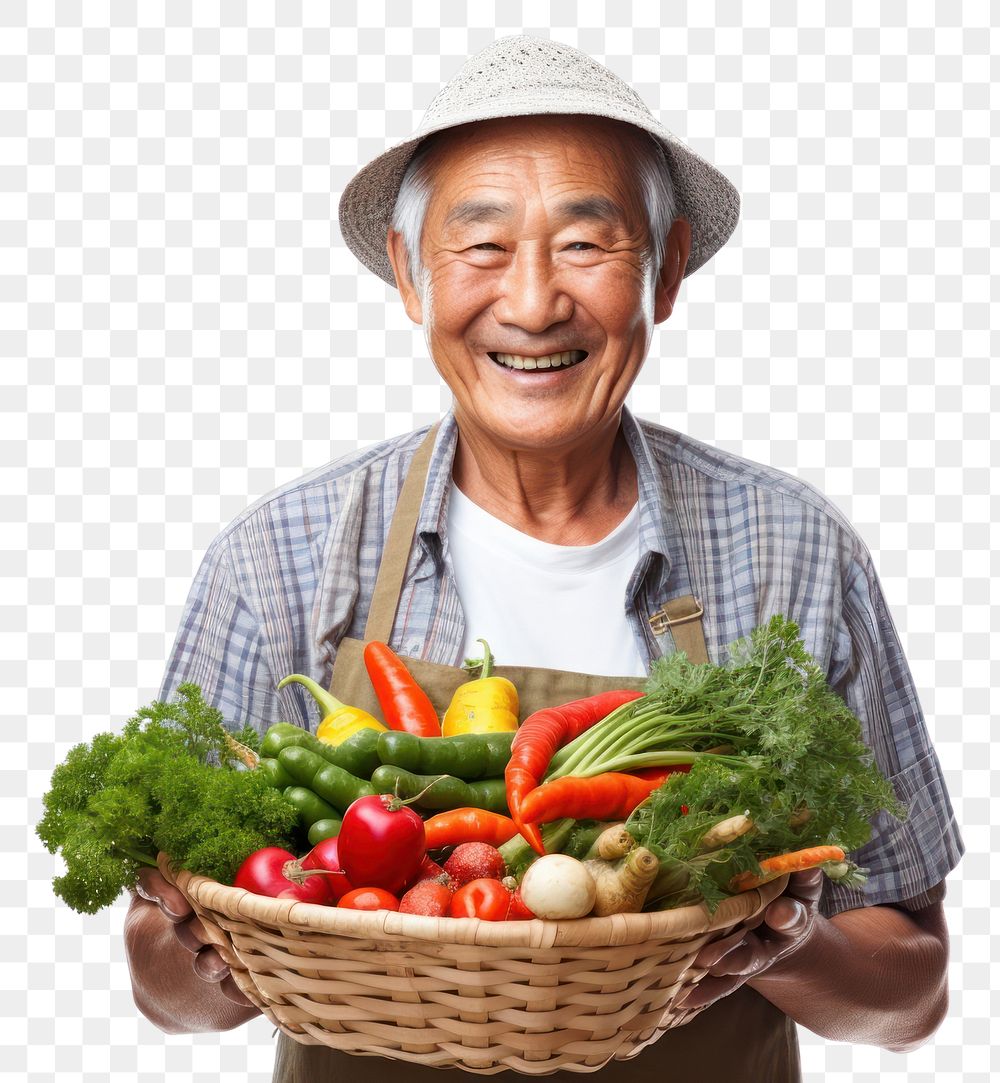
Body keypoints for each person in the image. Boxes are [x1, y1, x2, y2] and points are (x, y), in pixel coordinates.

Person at [124, 36, 963, 1082]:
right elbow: (164, 999)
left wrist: (783, 943)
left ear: (662, 274)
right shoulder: (283, 556)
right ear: (406, 273)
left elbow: (911, 998)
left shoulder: (793, 548)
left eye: (585, 246)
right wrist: (223, 953)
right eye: (479, 248)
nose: (530, 305)